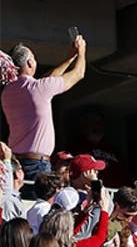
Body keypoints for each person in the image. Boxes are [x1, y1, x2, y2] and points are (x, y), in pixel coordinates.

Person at [2, 34, 86, 180]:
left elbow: (46, 81)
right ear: (29, 63)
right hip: (37, 164)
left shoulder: (8, 91)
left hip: (16, 162)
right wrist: (82, 52)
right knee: (39, 202)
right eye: (33, 58)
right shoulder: (37, 88)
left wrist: (70, 58)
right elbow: (78, 74)